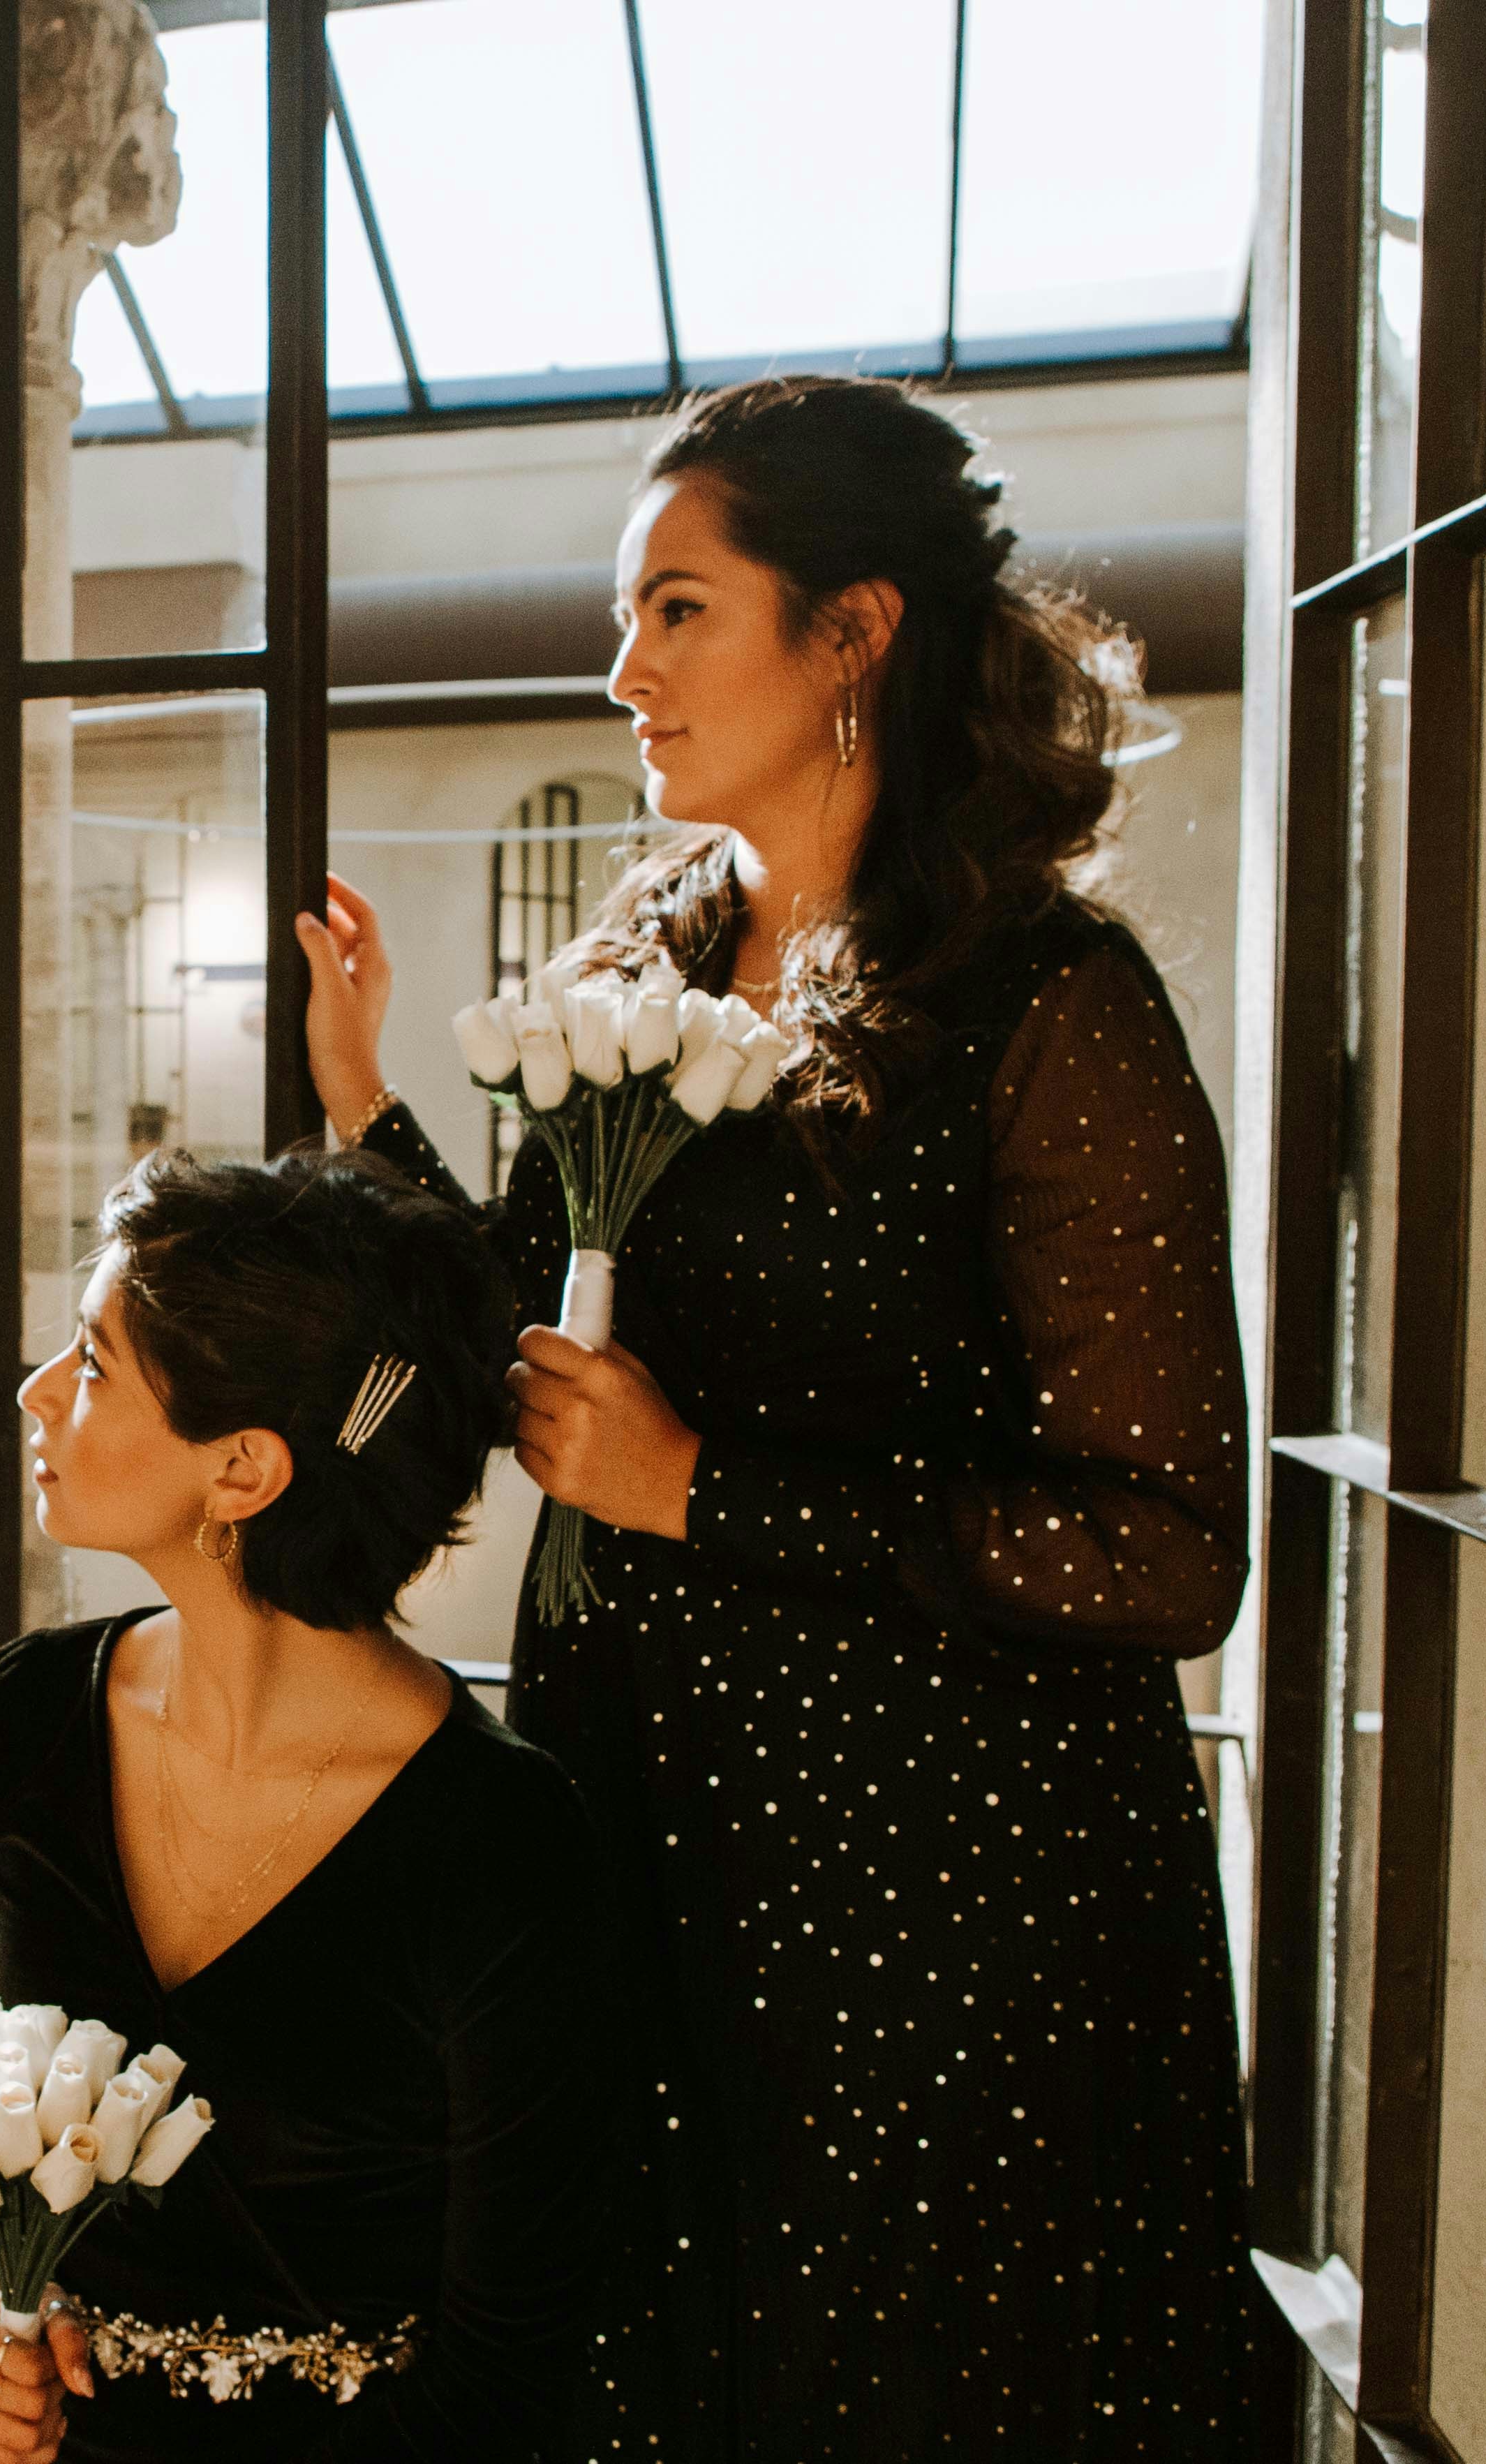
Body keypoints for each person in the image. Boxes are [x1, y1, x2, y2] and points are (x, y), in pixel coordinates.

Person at [294, 374, 1268, 2453]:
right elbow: (509, 1353)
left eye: (677, 609)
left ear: (855, 631)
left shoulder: (1051, 1007)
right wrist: (368, 1106)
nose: (620, 669)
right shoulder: (641, 954)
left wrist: (709, 1492)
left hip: (945, 1927)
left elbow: (1171, 1548)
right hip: (642, 1844)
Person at [0, 1149, 660, 2464]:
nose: (33, 1394)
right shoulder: (13, 1726)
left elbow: (509, 2365)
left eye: (88, 1366)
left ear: (242, 1471)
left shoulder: (502, 1843)